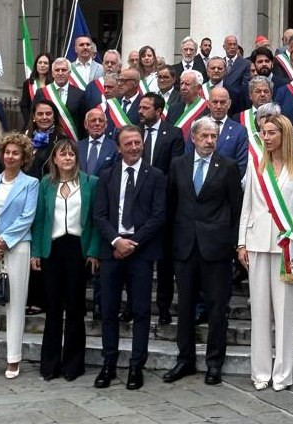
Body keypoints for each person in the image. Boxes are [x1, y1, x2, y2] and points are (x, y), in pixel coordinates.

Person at [163, 119, 243, 386]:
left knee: (217, 308)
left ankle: (214, 363)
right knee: (184, 306)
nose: (210, 140)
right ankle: (184, 359)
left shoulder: (228, 166)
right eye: (205, 136)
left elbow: (236, 208)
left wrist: (232, 245)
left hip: (216, 247)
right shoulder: (178, 164)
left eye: (214, 136)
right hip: (185, 246)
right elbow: (171, 203)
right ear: (194, 137)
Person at [237, 114, 293, 391]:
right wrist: (241, 242)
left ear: (285, 135)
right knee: (259, 311)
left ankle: (282, 373)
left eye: (270, 133)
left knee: (285, 313)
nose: (265, 137)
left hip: (287, 247)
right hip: (257, 242)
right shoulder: (255, 165)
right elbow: (247, 205)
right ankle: (260, 372)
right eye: (263, 133)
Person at [92, 125, 168, 390]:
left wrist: (132, 243)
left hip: (141, 252)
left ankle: (137, 365)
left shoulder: (156, 176)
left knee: (141, 311)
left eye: (138, 142)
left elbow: (159, 215)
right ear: (119, 147)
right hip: (112, 251)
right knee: (109, 310)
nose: (134, 147)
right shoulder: (106, 175)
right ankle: (109, 364)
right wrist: (116, 241)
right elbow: (99, 214)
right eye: (129, 143)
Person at [31, 139, 100, 381]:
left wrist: (93, 251)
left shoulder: (91, 183)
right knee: (53, 309)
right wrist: (36, 252)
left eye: (71, 154)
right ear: (55, 159)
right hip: (53, 249)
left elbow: (95, 221)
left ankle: (73, 364)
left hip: (78, 250)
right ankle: (49, 364)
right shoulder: (45, 184)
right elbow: (39, 220)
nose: (68, 158)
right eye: (63, 155)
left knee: (75, 308)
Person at [0, 132, 40, 379]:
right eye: (7, 152)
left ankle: (14, 358)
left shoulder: (31, 183)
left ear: (23, 157)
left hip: (17, 247)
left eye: (15, 152)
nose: (10, 156)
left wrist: (5, 240)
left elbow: (28, 216)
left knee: (15, 302)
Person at [137, 92, 186, 324]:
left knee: (165, 264)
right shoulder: (133, 132)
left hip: (163, 207)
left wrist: (153, 194)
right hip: (135, 207)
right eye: (140, 107)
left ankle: (164, 308)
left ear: (158, 111)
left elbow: (174, 171)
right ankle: (135, 306)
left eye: (146, 108)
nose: (140, 111)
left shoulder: (173, 134)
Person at [34, 58, 88, 140]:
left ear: (69, 73)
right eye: (57, 70)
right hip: (47, 141)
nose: (60, 73)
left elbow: (83, 122)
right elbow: (34, 116)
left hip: (71, 141)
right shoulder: (41, 92)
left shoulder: (80, 94)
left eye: (63, 70)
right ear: (52, 73)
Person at [168, 70, 209, 137]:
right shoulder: (173, 109)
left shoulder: (207, 108)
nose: (183, 87)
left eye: (187, 84)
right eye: (181, 83)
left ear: (199, 88)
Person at [78, 108, 118, 176]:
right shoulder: (77, 146)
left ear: (106, 125)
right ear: (85, 124)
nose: (97, 123)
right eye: (93, 120)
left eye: (101, 121)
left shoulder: (114, 147)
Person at [25, 101, 60, 177]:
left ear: (54, 117)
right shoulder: (24, 137)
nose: (44, 117)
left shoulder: (61, 141)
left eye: (48, 114)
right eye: (40, 114)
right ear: (34, 117)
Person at [20, 53, 53, 122]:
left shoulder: (54, 83)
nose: (42, 65)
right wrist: (30, 121)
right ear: (36, 65)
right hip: (32, 122)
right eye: (40, 62)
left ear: (50, 66)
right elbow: (24, 106)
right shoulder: (28, 83)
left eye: (45, 63)